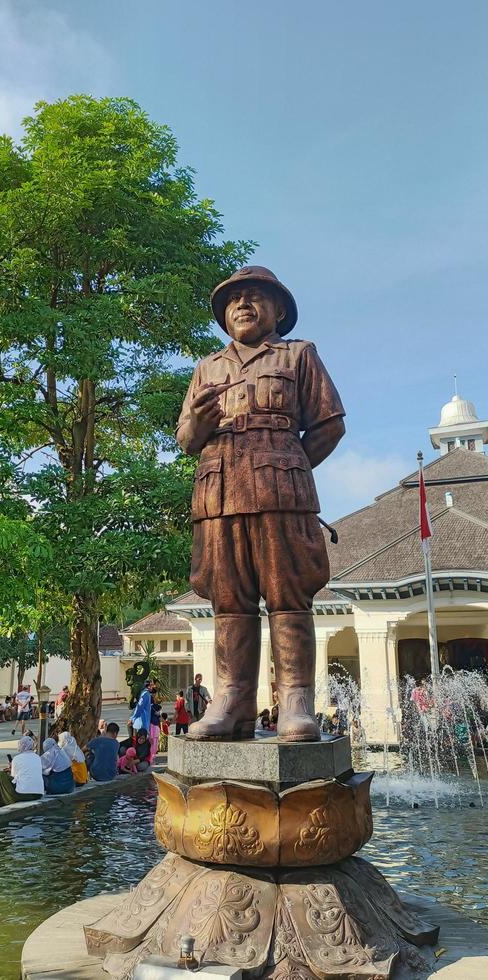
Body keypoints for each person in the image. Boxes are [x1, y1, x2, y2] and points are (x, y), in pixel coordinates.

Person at [177, 266, 345, 741]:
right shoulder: (208, 367)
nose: (243, 304)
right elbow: (187, 440)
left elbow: (329, 424)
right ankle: (232, 699)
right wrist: (197, 422)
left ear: (279, 310)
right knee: (229, 601)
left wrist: (287, 466)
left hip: (281, 496)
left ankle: (294, 700)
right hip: (219, 493)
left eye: (255, 297)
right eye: (234, 300)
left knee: (288, 595)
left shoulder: (298, 355)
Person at [0, 735, 44, 808]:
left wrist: (10, 770)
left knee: (0, 775)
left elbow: (14, 778)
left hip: (24, 794)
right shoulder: (37, 757)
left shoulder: (17, 759)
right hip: (38, 794)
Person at [149, 691, 162, 764]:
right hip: (155, 725)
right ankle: (152, 757)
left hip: (152, 725)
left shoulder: (150, 707)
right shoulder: (156, 707)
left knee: (152, 741)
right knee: (154, 742)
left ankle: (151, 757)